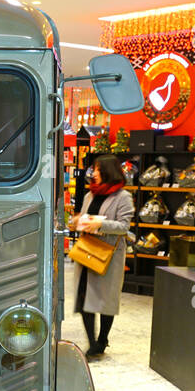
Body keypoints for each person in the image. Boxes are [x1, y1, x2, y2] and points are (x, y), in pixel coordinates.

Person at [69, 153, 134, 359]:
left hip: (108, 255)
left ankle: (103, 339)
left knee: (105, 300)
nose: (93, 172)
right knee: (83, 297)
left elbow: (124, 226)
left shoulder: (123, 197)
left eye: (96, 169)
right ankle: (92, 342)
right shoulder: (90, 195)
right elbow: (86, 217)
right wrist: (78, 221)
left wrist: (101, 224)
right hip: (87, 251)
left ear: (107, 171)